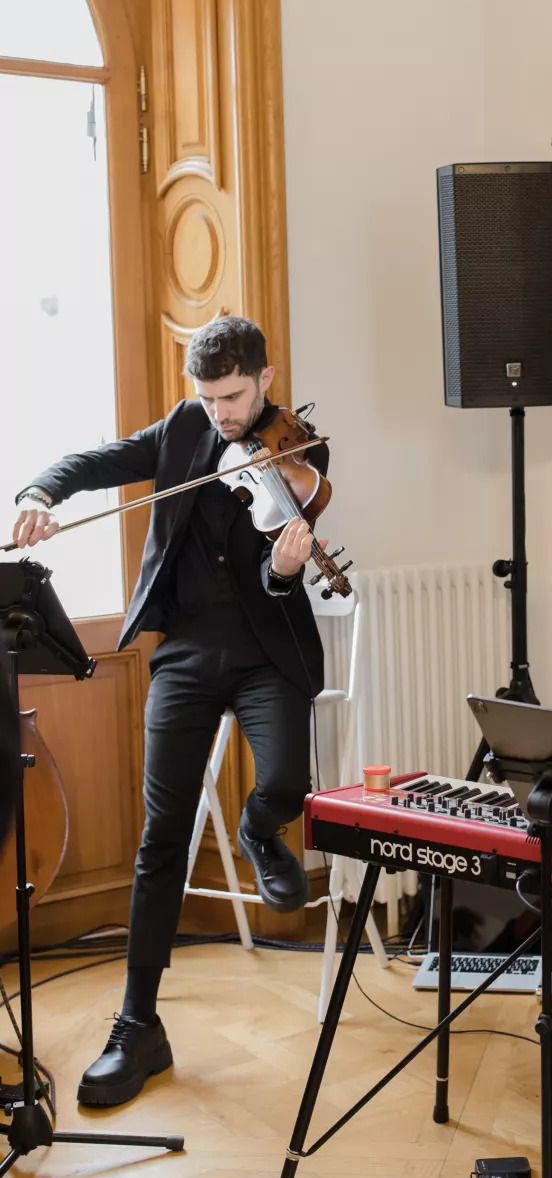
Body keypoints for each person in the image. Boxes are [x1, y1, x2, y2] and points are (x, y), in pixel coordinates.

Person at [11, 316, 327, 1107]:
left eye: (233, 395)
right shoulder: (186, 428)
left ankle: (261, 829)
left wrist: (287, 568)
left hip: (266, 651)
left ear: (267, 377)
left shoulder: (301, 452)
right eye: (209, 396)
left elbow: (283, 575)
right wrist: (41, 491)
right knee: (160, 840)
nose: (221, 413)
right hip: (186, 654)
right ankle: (138, 1023)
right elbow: (98, 461)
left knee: (287, 779)